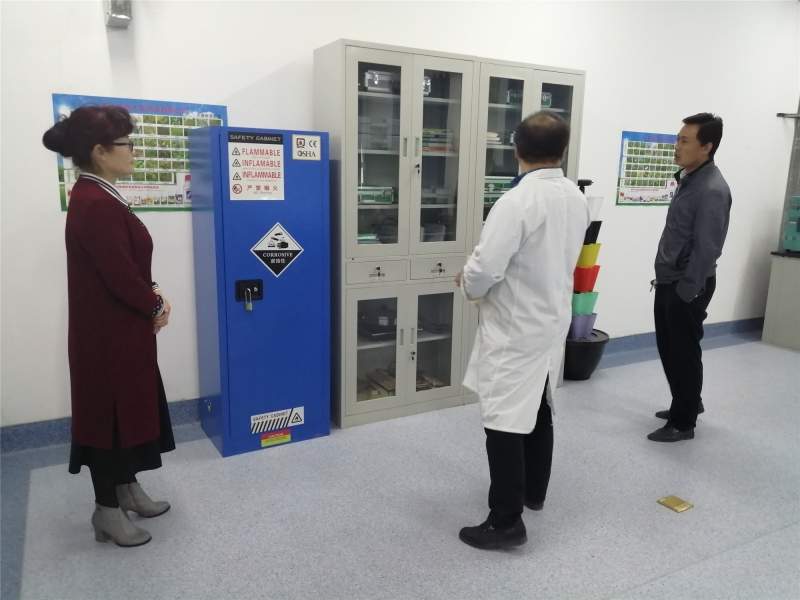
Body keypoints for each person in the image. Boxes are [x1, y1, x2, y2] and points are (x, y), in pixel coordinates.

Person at [455, 111, 590, 550]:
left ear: (515, 150)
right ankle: (534, 492)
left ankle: (506, 522)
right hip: (550, 319)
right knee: (539, 403)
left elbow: (484, 269)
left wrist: (467, 282)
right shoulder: (575, 197)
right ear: (563, 152)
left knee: (503, 419)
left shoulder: (516, 202)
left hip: (515, 326)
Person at [42, 106, 175, 547]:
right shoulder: (94, 202)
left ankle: (126, 489)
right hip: (107, 338)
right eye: (126, 144)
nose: (133, 151)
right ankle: (106, 511)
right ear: (100, 152)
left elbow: (126, 264)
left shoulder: (101, 195)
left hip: (122, 332)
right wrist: (155, 304)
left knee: (129, 413)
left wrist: (153, 293)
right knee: (109, 423)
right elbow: (118, 275)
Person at [648, 113, 731, 443]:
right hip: (670, 279)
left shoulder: (712, 189)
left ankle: (683, 423)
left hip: (688, 284)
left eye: (685, 141)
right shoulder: (690, 180)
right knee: (670, 348)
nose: (677, 146)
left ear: (706, 147)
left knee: (683, 352)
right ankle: (687, 402)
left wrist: (687, 291)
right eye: (677, 139)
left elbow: (707, 248)